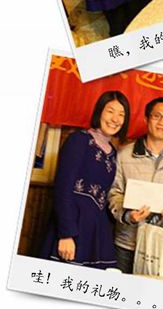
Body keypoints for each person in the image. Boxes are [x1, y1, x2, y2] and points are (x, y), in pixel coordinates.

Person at [40, 91, 130, 269]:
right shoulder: (78, 140)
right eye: (110, 111)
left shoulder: (112, 153)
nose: (115, 119)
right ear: (99, 112)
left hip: (97, 231)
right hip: (72, 227)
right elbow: (63, 189)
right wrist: (66, 234)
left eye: (121, 114)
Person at [108, 97, 163, 273]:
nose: (161, 122)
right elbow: (114, 193)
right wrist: (127, 215)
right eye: (157, 116)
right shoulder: (124, 154)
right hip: (127, 242)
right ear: (146, 119)